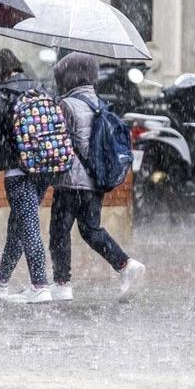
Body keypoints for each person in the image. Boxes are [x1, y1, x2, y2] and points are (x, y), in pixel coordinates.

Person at [50, 52, 146, 302]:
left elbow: (61, 144)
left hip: (71, 180)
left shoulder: (67, 104)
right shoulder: (99, 103)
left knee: (59, 231)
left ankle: (62, 283)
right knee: (91, 230)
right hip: (95, 180)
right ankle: (126, 265)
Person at [0, 49, 54, 304]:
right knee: (19, 226)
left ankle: (40, 284)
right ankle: (1, 280)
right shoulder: (39, 89)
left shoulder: (3, 94)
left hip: (18, 170)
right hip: (43, 167)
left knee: (28, 225)